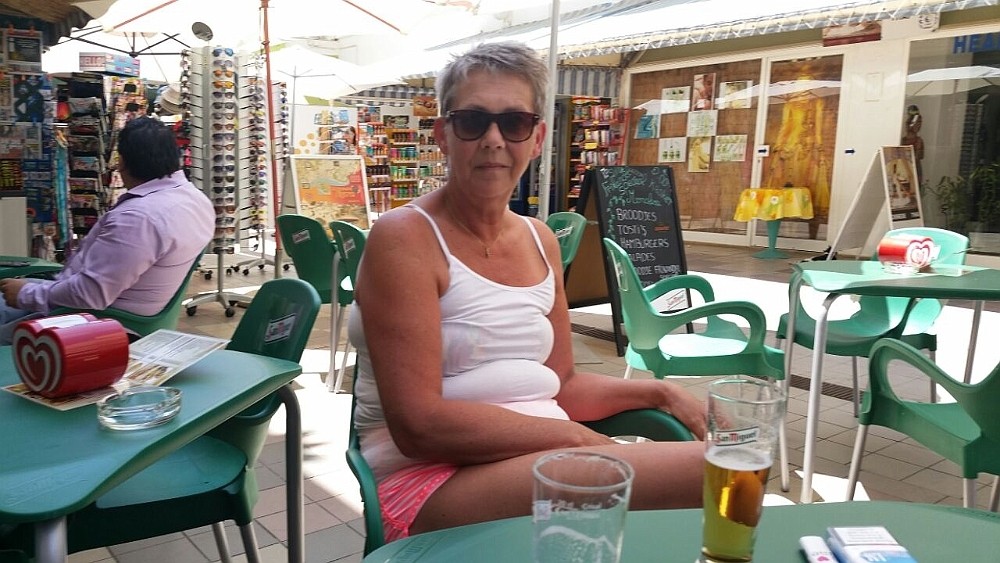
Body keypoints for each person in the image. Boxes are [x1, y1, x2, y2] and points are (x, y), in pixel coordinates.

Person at [349, 41, 706, 543]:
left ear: (536, 138)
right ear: (443, 134)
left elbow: (563, 384)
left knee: (701, 480)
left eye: (514, 122)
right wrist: (574, 439)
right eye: (473, 121)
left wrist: (660, 391)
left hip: (534, 462)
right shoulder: (405, 237)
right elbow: (419, 426)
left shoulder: (541, 240)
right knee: (711, 470)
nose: (493, 139)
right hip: (431, 479)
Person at [0, 117, 214, 343]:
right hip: (119, 311)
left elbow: (90, 294)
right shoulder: (195, 200)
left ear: (122, 162)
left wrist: (26, 294)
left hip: (94, 322)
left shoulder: (138, 218)